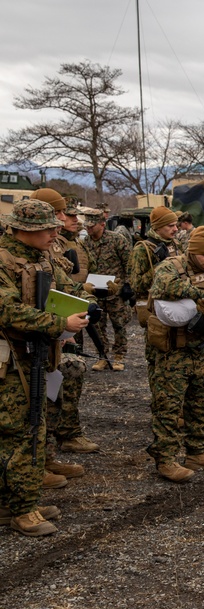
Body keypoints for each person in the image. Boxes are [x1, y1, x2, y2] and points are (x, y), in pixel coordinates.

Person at [0, 200, 93, 536]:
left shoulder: (41, 258)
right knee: (20, 432)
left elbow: (68, 290)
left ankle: (16, 502)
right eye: (49, 227)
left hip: (34, 353)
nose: (57, 231)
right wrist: (58, 323)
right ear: (26, 230)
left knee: (30, 428)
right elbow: (7, 311)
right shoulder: (3, 260)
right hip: (10, 361)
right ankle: (23, 510)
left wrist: (83, 310)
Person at [146, 226, 204, 481]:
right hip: (173, 351)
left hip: (203, 349)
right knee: (168, 405)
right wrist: (201, 296)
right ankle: (166, 459)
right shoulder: (172, 267)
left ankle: (196, 452)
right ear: (192, 251)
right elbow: (161, 287)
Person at [30, 190, 99, 478]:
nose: (63, 220)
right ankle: (36, 464)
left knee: (52, 391)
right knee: (34, 401)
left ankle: (45, 457)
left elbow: (62, 286)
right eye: (59, 213)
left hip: (57, 326)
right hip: (35, 332)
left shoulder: (51, 247)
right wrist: (60, 325)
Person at [130, 206, 180, 383]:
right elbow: (136, 285)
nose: (175, 229)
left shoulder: (175, 245)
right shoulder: (142, 249)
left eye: (176, 225)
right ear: (158, 227)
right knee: (157, 356)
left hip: (177, 306)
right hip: (155, 310)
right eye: (170, 226)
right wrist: (160, 265)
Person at [81, 207, 132, 372]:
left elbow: (129, 264)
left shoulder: (117, 240)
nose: (88, 229)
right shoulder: (85, 243)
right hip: (94, 291)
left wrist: (128, 285)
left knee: (119, 325)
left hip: (114, 292)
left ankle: (119, 356)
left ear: (102, 224)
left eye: (92, 226)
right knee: (97, 325)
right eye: (86, 226)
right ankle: (102, 355)